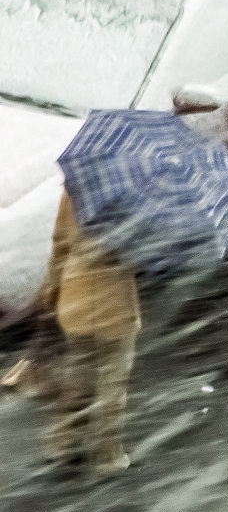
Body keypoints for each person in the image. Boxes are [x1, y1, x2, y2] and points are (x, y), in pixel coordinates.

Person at [38, 188, 141, 474]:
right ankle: (108, 456)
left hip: (76, 297)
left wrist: (52, 290)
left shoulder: (74, 190)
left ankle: (62, 446)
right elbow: (138, 251)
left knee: (78, 377)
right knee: (113, 382)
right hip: (115, 302)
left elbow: (59, 245)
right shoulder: (132, 196)